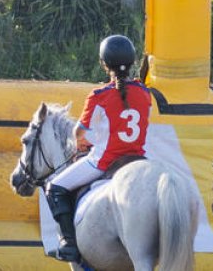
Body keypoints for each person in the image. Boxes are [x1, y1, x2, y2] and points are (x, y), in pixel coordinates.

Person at [44, 34, 152, 263]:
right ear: (131, 62)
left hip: (104, 160)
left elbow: (78, 133)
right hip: (138, 161)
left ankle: (69, 245)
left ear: (104, 64)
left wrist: (82, 143)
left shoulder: (98, 96)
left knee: (55, 187)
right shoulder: (145, 93)